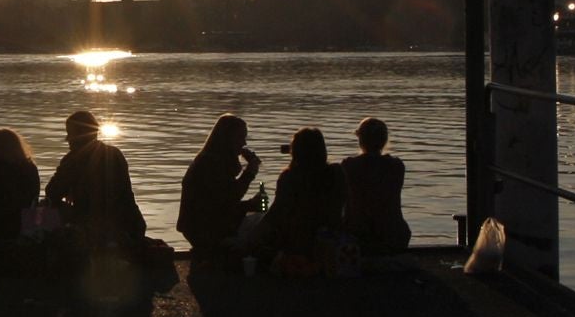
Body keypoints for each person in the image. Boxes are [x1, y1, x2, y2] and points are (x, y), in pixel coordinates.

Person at [43, 109, 145, 248]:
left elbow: (52, 192)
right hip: (132, 225)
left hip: (95, 229)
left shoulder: (74, 159)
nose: (68, 140)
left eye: (69, 135)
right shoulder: (115, 153)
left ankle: (45, 252)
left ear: (76, 136)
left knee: (45, 206)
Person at [256, 126, 343, 272]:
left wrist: (255, 235)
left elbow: (275, 213)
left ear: (295, 152)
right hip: (330, 238)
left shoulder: (289, 177)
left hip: (297, 244)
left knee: (253, 224)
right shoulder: (337, 173)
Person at [176, 113, 263, 256]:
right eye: (241, 137)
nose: (244, 143)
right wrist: (249, 174)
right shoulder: (211, 165)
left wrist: (250, 204)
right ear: (228, 139)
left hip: (199, 227)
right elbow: (225, 203)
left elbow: (221, 203)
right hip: (205, 231)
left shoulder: (209, 160)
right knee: (263, 222)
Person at [338, 116, 411, 256]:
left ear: (360, 140)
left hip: (357, 237)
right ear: (384, 141)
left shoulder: (349, 166)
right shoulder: (396, 166)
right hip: (393, 236)